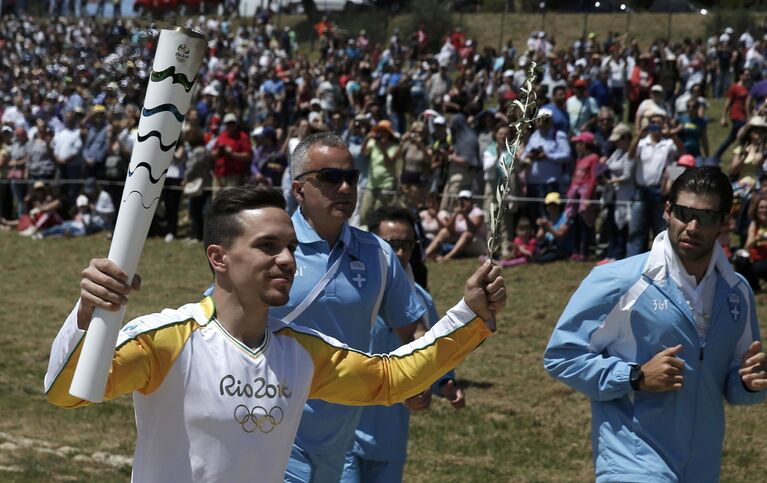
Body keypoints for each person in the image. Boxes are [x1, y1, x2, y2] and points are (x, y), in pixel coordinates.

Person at [45, 185, 506, 483]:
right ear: (219, 258)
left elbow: (390, 379)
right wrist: (88, 313)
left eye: (290, 247)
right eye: (267, 246)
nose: (287, 259)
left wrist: (469, 316)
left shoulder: (302, 351)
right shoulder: (165, 340)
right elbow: (67, 393)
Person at [544, 167, 767, 482]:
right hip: (632, 464)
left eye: (704, 217)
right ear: (667, 212)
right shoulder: (620, 280)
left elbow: (735, 385)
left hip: (702, 469)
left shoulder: (738, 292)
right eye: (683, 213)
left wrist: (749, 383)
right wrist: (634, 375)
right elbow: (561, 356)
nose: (691, 226)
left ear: (724, 222)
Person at [277, 133, 435, 483]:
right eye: (331, 178)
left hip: (340, 440)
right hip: (268, 433)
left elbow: (411, 330)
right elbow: (217, 320)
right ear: (299, 189)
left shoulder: (378, 254)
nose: (346, 187)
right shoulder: (270, 246)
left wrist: (418, 378)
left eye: (352, 177)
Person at [341, 207, 465, 483]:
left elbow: (433, 354)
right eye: (390, 244)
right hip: (346, 432)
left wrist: (443, 383)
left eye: (406, 245)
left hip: (391, 436)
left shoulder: (421, 301)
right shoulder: (349, 295)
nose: (398, 253)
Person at [424, 190, 487, 262]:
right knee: (444, 231)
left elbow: (472, 230)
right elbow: (449, 228)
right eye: (461, 200)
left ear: (471, 201)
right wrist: (455, 214)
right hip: (461, 243)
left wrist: (465, 215)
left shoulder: (477, 212)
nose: (463, 202)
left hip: (476, 243)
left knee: (467, 234)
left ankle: (447, 257)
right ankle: (425, 254)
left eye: (466, 199)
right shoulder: (458, 212)